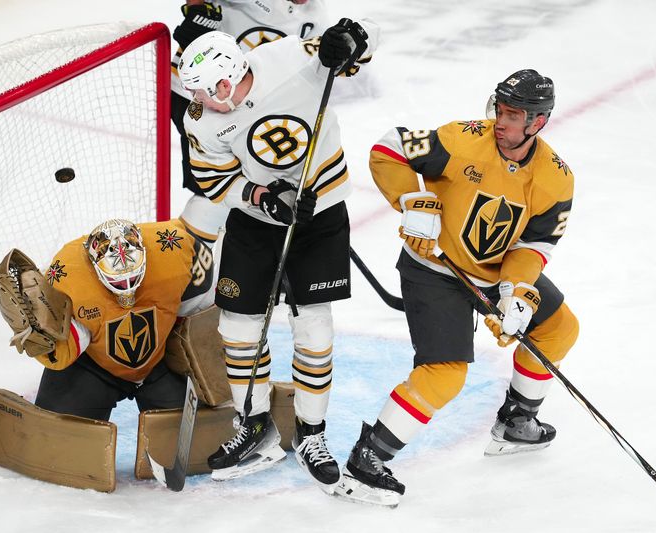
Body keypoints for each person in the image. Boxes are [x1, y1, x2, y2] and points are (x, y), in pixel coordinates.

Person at [336, 69, 580, 506]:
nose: (500, 120)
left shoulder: (555, 178)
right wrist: (412, 200)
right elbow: (388, 148)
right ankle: (366, 459)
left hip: (491, 272)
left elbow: (534, 243)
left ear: (537, 122)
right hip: (434, 269)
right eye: (500, 109)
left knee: (559, 328)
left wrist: (518, 292)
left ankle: (516, 424)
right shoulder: (462, 139)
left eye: (512, 114)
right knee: (446, 373)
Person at [176, 21, 378, 493]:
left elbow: (359, 55)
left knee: (313, 327)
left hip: (321, 215)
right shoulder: (200, 119)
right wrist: (263, 196)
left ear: (226, 80)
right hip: (255, 223)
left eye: (205, 91)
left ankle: (311, 434)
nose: (199, 102)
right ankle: (256, 424)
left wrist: (349, 40)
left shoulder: (291, 59)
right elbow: (217, 181)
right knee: (237, 327)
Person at [0, 218, 216, 421]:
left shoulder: (173, 248)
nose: (127, 291)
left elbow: (203, 311)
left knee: (201, 427)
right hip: (94, 366)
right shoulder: (67, 274)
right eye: (118, 283)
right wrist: (37, 340)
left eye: (133, 277)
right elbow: (65, 347)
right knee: (58, 437)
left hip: (161, 357)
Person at [169, 0, 333, 246]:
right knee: (216, 186)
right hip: (201, 103)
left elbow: (317, 69)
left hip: (257, 114)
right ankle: (195, 263)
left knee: (258, 191)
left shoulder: (315, 17)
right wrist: (197, 10)